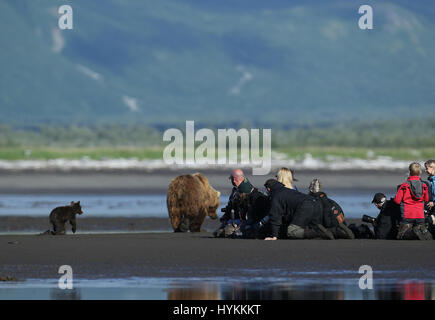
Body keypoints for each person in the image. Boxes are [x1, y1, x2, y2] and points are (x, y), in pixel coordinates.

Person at [263, 179, 334, 240]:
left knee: (291, 231)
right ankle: (334, 232)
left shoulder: (276, 196)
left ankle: (319, 233)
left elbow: (275, 217)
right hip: (315, 203)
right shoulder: (288, 190)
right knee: (310, 227)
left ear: (268, 189)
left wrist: (274, 236)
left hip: (305, 206)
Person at [214, 169, 268, 238]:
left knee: (227, 232)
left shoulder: (253, 194)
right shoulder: (236, 191)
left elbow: (254, 214)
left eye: (231, 179)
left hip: (249, 222)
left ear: (234, 180)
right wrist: (225, 219)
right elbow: (230, 207)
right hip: (239, 220)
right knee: (218, 233)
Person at [394, 162, 432, 240]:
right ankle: (420, 229)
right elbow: (426, 200)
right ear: (420, 172)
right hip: (420, 215)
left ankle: (412, 233)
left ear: (409, 172)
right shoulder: (424, 185)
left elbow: (397, 201)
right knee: (420, 228)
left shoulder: (404, 185)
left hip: (407, 215)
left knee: (400, 236)